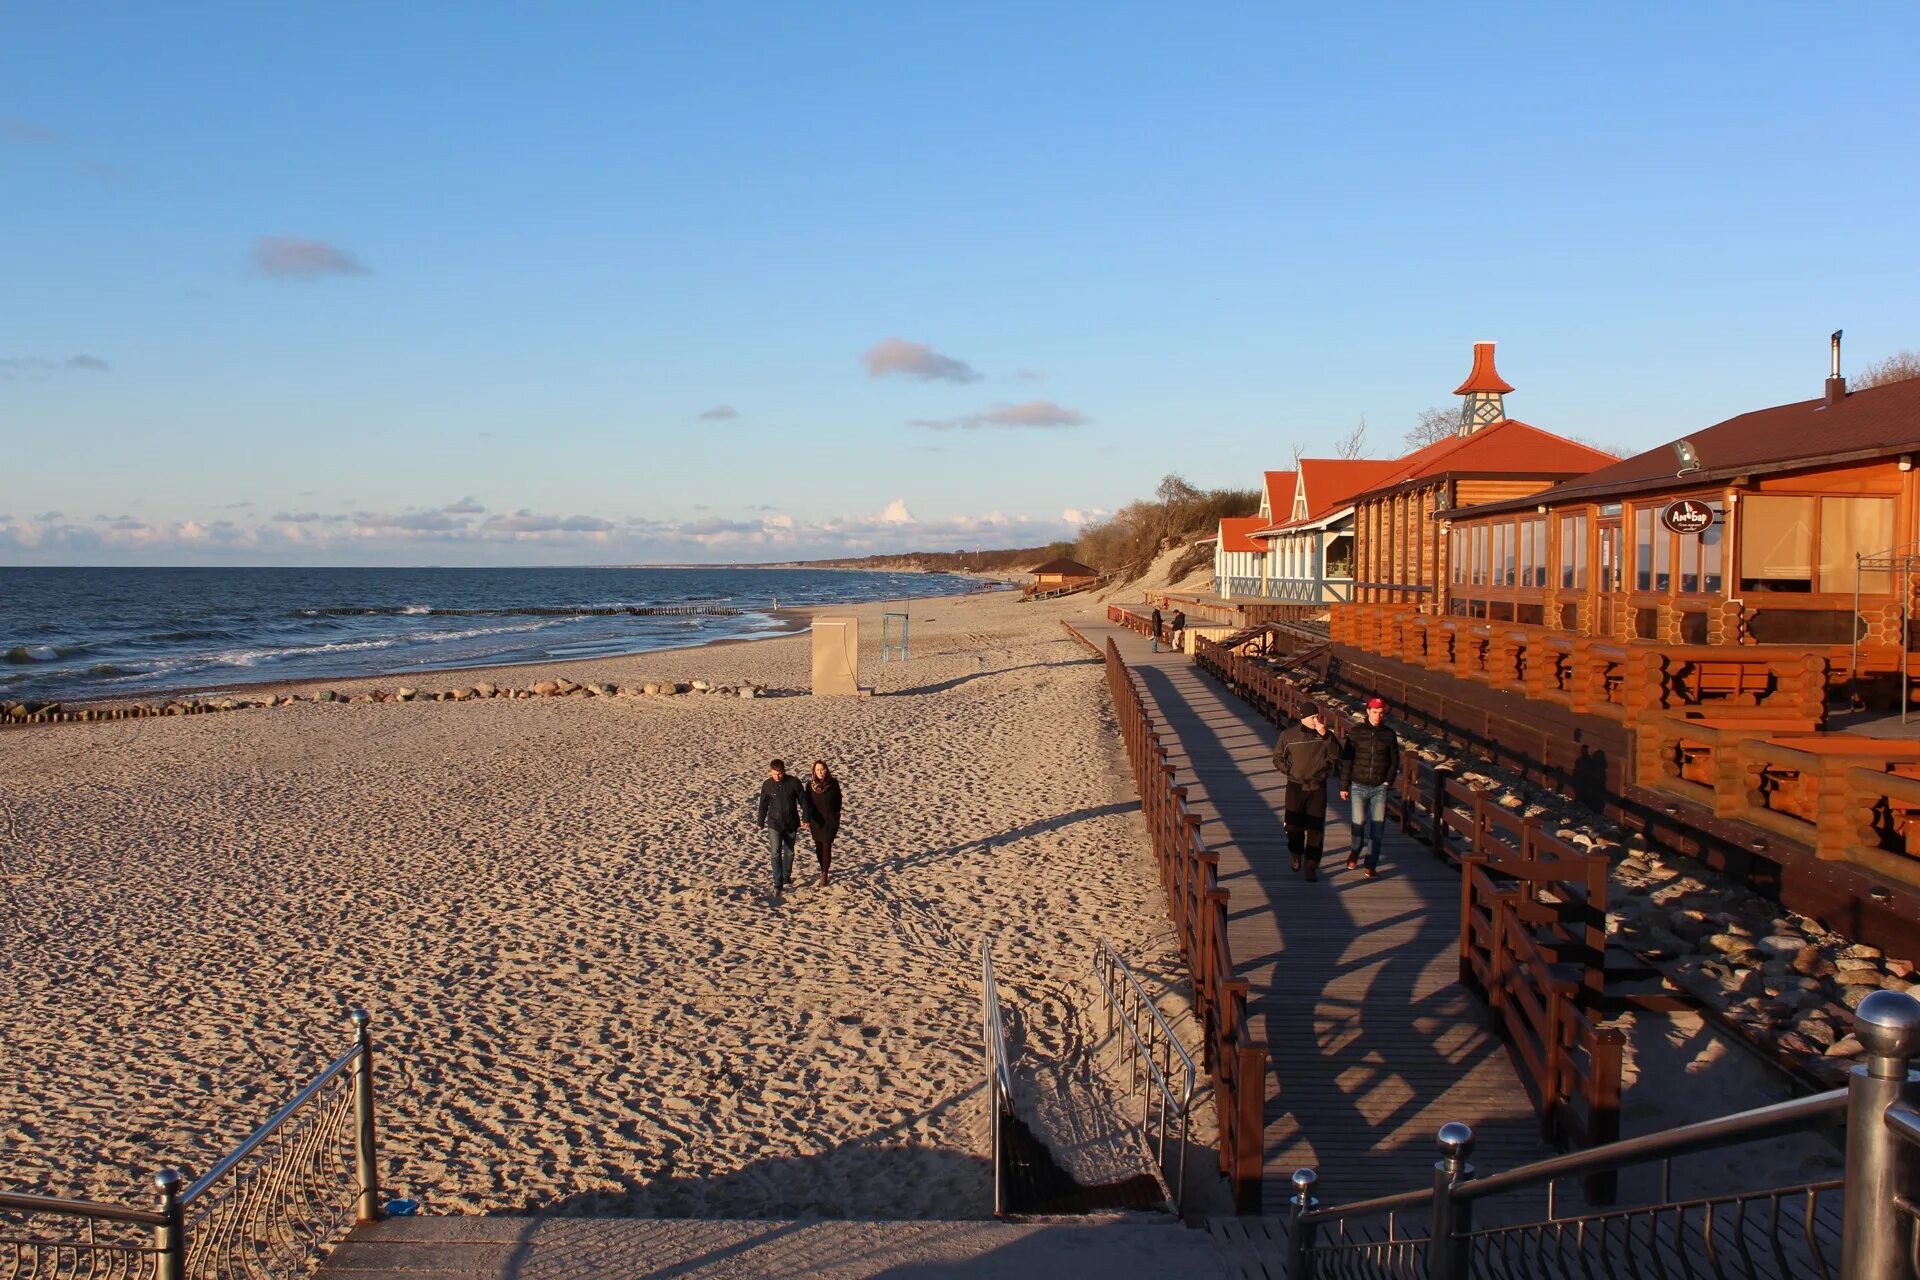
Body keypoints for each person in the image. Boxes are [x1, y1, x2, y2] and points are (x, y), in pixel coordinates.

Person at [1273, 701, 1339, 881]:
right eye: (1312, 717)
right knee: (1294, 827)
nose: (1316, 720)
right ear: (1303, 718)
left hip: (1317, 788)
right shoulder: (1288, 735)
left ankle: (1311, 867)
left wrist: (1326, 735)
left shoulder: (1325, 735)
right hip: (1295, 786)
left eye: (1317, 716)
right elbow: (1278, 757)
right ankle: (1296, 852)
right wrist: (1288, 770)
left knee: (1316, 829)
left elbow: (1336, 755)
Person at [1340, 696, 1401, 878]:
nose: (1378, 716)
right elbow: (1347, 760)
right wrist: (1344, 785)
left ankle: (1371, 864)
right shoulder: (1356, 731)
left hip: (1379, 788)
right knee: (1358, 825)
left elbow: (1394, 760)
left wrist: (1388, 780)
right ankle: (1355, 850)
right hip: (1358, 785)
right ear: (1368, 711)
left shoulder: (1389, 735)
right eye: (1375, 712)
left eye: (1381, 713)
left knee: (1378, 828)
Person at [756, 759, 807, 899]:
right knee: (775, 852)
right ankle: (778, 883)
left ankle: (786, 876)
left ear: (784, 771)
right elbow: (763, 804)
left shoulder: (794, 783)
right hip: (774, 824)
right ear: (770, 772)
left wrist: (806, 817)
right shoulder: (767, 785)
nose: (777, 777)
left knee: (789, 853)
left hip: (791, 823)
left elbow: (803, 801)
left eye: (779, 774)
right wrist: (760, 821)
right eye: (774, 774)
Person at [803, 760, 843, 886]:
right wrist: (807, 818)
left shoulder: (833, 783)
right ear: (814, 771)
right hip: (816, 821)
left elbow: (839, 800)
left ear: (826, 770)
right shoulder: (809, 786)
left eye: (823, 769)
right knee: (819, 847)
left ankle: (825, 874)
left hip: (830, 821)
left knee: (827, 846)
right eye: (818, 770)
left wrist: (835, 815)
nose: (821, 772)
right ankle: (822, 869)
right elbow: (807, 803)